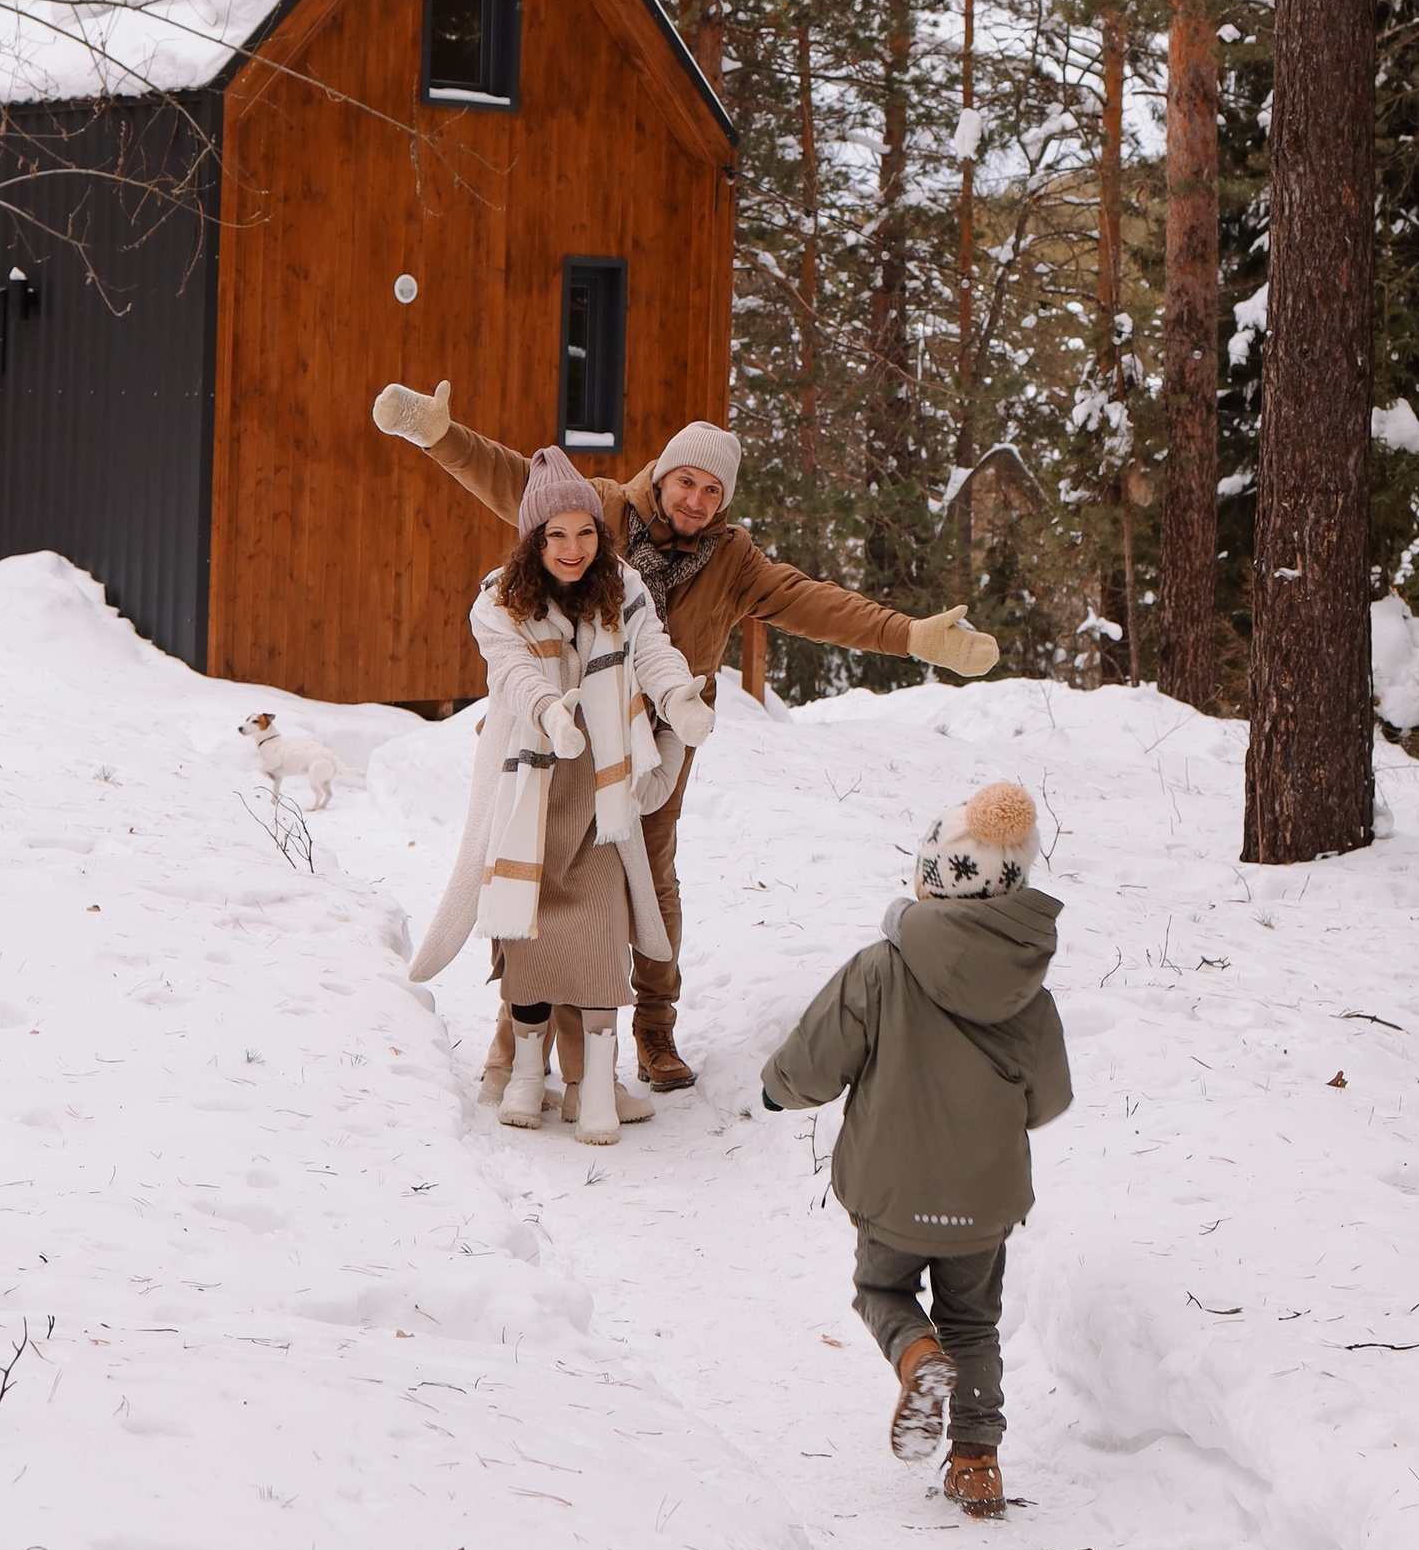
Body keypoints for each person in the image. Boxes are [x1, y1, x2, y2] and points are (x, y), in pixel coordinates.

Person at [373, 380, 999, 1091]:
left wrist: (911, 635)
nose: (696, 500)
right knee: (543, 868)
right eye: (686, 481)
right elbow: (515, 478)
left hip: (663, 740)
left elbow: (813, 602)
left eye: (712, 491)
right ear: (662, 474)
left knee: (649, 874)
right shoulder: (601, 505)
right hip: (569, 724)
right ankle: (519, 1034)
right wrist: (440, 437)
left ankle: (654, 1028)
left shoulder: (734, 560)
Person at [758, 777, 1068, 1520]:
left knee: (884, 1291)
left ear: (929, 880)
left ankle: (915, 1357)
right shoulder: (1028, 993)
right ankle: (976, 1463)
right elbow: (1049, 1099)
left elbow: (816, 1059)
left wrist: (777, 1090)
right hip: (983, 1201)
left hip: (891, 1193)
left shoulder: (880, 968)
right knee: (974, 1320)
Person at [404, 445, 714, 1146]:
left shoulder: (624, 589)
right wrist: (549, 712)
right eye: (556, 535)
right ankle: (520, 1075)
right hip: (532, 776)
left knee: (602, 930)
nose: (572, 548)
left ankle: (591, 1087)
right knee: (528, 924)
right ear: (533, 541)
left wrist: (678, 700)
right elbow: (513, 672)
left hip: (602, 785)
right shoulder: (499, 603)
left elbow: (654, 650)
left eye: (584, 532)